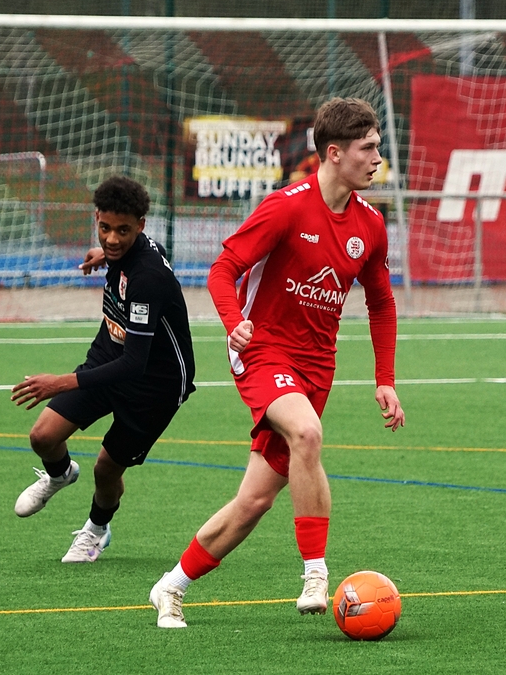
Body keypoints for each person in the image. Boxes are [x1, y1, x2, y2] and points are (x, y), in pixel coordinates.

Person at [149, 98, 405, 628]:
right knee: (307, 433)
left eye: (378, 147)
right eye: (368, 148)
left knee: (255, 501)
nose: (378, 158)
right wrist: (232, 322)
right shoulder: (286, 207)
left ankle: (170, 585)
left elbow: (381, 302)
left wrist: (385, 379)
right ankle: (315, 573)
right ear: (334, 153)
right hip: (261, 349)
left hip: (318, 366)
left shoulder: (371, 224)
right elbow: (223, 268)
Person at [11, 175, 196, 563]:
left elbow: (134, 364)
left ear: (140, 226)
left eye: (122, 231)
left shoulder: (147, 278)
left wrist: (59, 382)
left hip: (154, 386)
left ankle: (96, 530)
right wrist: (106, 254)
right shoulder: (125, 251)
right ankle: (60, 474)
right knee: (43, 437)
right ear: (96, 217)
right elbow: (138, 250)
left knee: (106, 469)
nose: (112, 238)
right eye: (105, 228)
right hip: (110, 355)